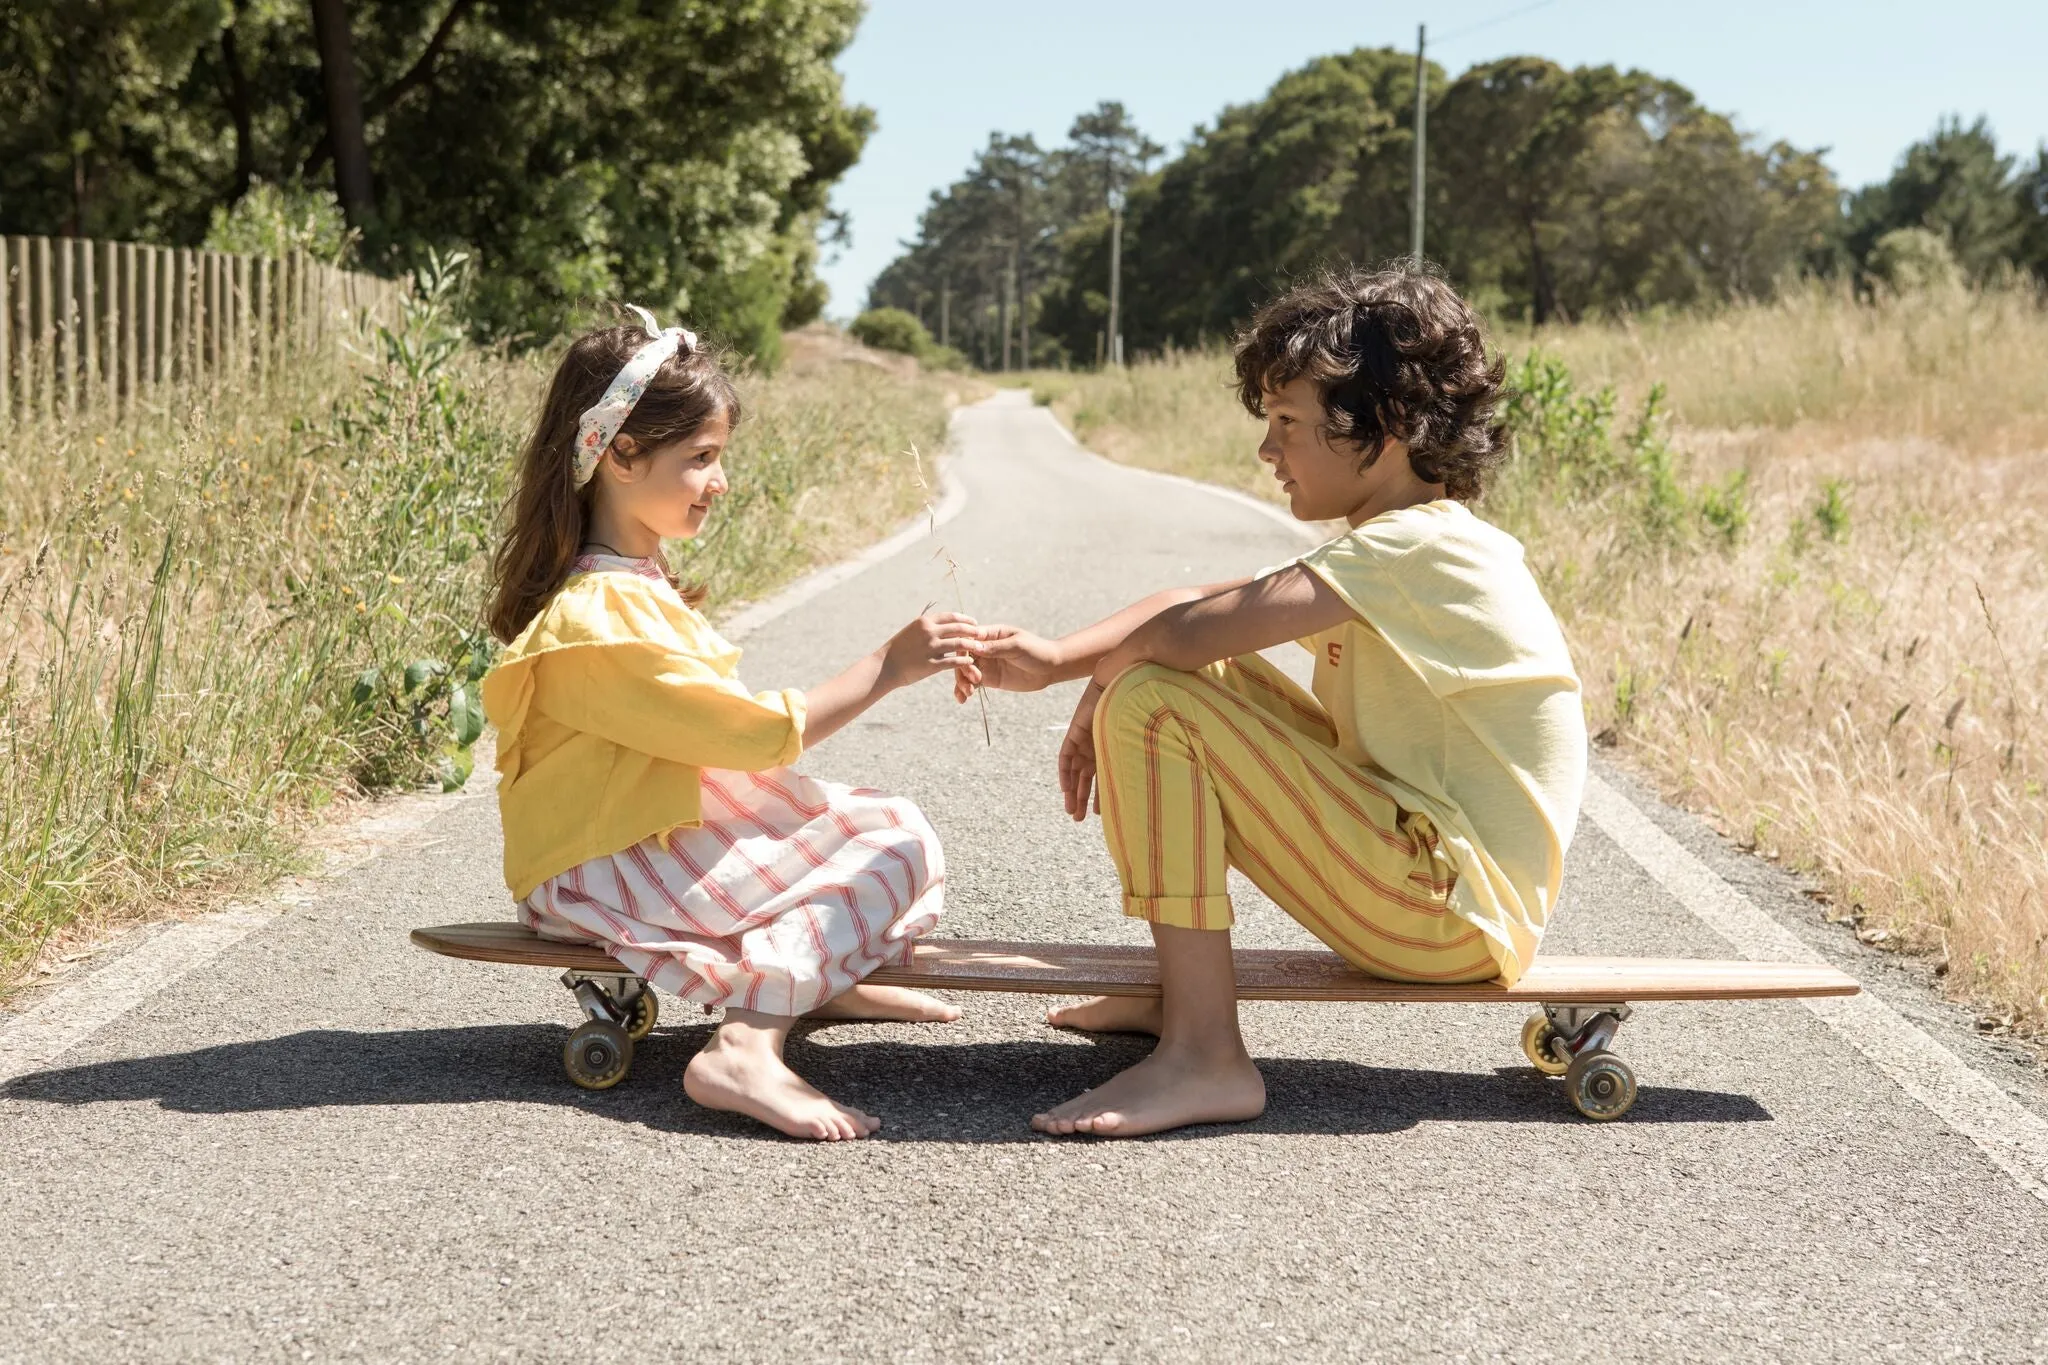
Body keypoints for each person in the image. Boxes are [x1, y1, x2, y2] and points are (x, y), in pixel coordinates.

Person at [960, 267, 1587, 1138]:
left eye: (1287, 423)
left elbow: (1178, 634)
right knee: (1187, 675)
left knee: (1156, 698)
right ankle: (1184, 996)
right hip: (1429, 882)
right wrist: (1060, 661)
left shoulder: (1417, 547)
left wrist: (1099, 685)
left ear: (1390, 425)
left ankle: (1205, 1052)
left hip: (1448, 909)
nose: (1267, 451)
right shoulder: (1398, 546)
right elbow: (1192, 608)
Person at [482, 309, 976, 1141]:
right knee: (898, 846)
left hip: (631, 835)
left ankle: (816, 976)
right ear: (622, 454)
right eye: (702, 459)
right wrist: (887, 666)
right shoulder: (601, 616)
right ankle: (746, 1042)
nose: (721, 481)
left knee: (884, 823)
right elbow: (749, 736)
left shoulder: (628, 581)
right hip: (598, 865)